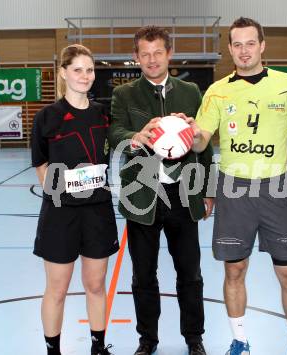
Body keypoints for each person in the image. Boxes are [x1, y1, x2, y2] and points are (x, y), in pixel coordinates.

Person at [190, 17, 287, 355]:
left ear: (262, 45)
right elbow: (202, 143)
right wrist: (185, 132)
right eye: (237, 44)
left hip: (274, 189)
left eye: (250, 43)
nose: (244, 51)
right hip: (233, 189)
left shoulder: (286, 85)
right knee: (235, 269)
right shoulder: (218, 90)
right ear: (229, 49)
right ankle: (239, 340)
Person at [109, 26, 213, 355]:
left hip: (183, 195)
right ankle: (147, 340)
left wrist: (209, 189)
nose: (152, 60)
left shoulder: (191, 91)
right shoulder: (124, 94)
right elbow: (114, 132)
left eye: (158, 52)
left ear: (169, 53)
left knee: (191, 274)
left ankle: (194, 338)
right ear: (136, 57)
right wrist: (136, 136)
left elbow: (205, 144)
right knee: (143, 275)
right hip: (142, 198)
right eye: (145, 54)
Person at [31, 44, 118, 355]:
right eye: (78, 69)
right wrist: (59, 189)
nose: (85, 75)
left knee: (95, 285)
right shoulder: (46, 117)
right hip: (60, 214)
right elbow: (41, 164)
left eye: (90, 69)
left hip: (97, 212)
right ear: (64, 73)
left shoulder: (104, 114)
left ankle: (98, 346)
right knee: (57, 289)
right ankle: (53, 350)